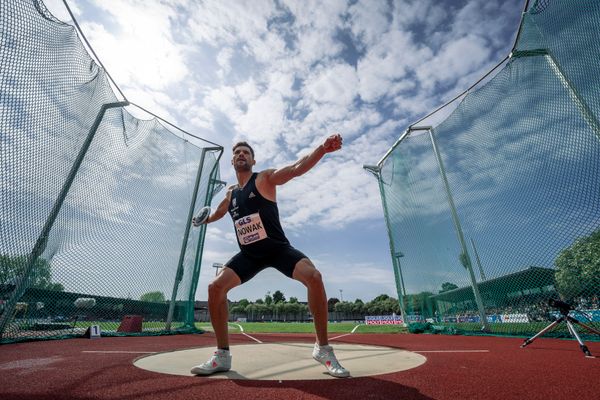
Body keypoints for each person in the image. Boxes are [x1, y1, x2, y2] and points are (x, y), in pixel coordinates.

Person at [190, 134, 349, 378]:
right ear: (232, 162)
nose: (241, 154)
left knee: (314, 276)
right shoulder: (231, 194)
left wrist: (322, 149)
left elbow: (296, 168)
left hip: (277, 249)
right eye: (237, 153)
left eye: (246, 152)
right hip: (249, 255)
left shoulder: (264, 179)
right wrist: (203, 220)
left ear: (253, 161)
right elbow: (220, 213)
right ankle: (222, 356)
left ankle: (323, 349)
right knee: (215, 288)